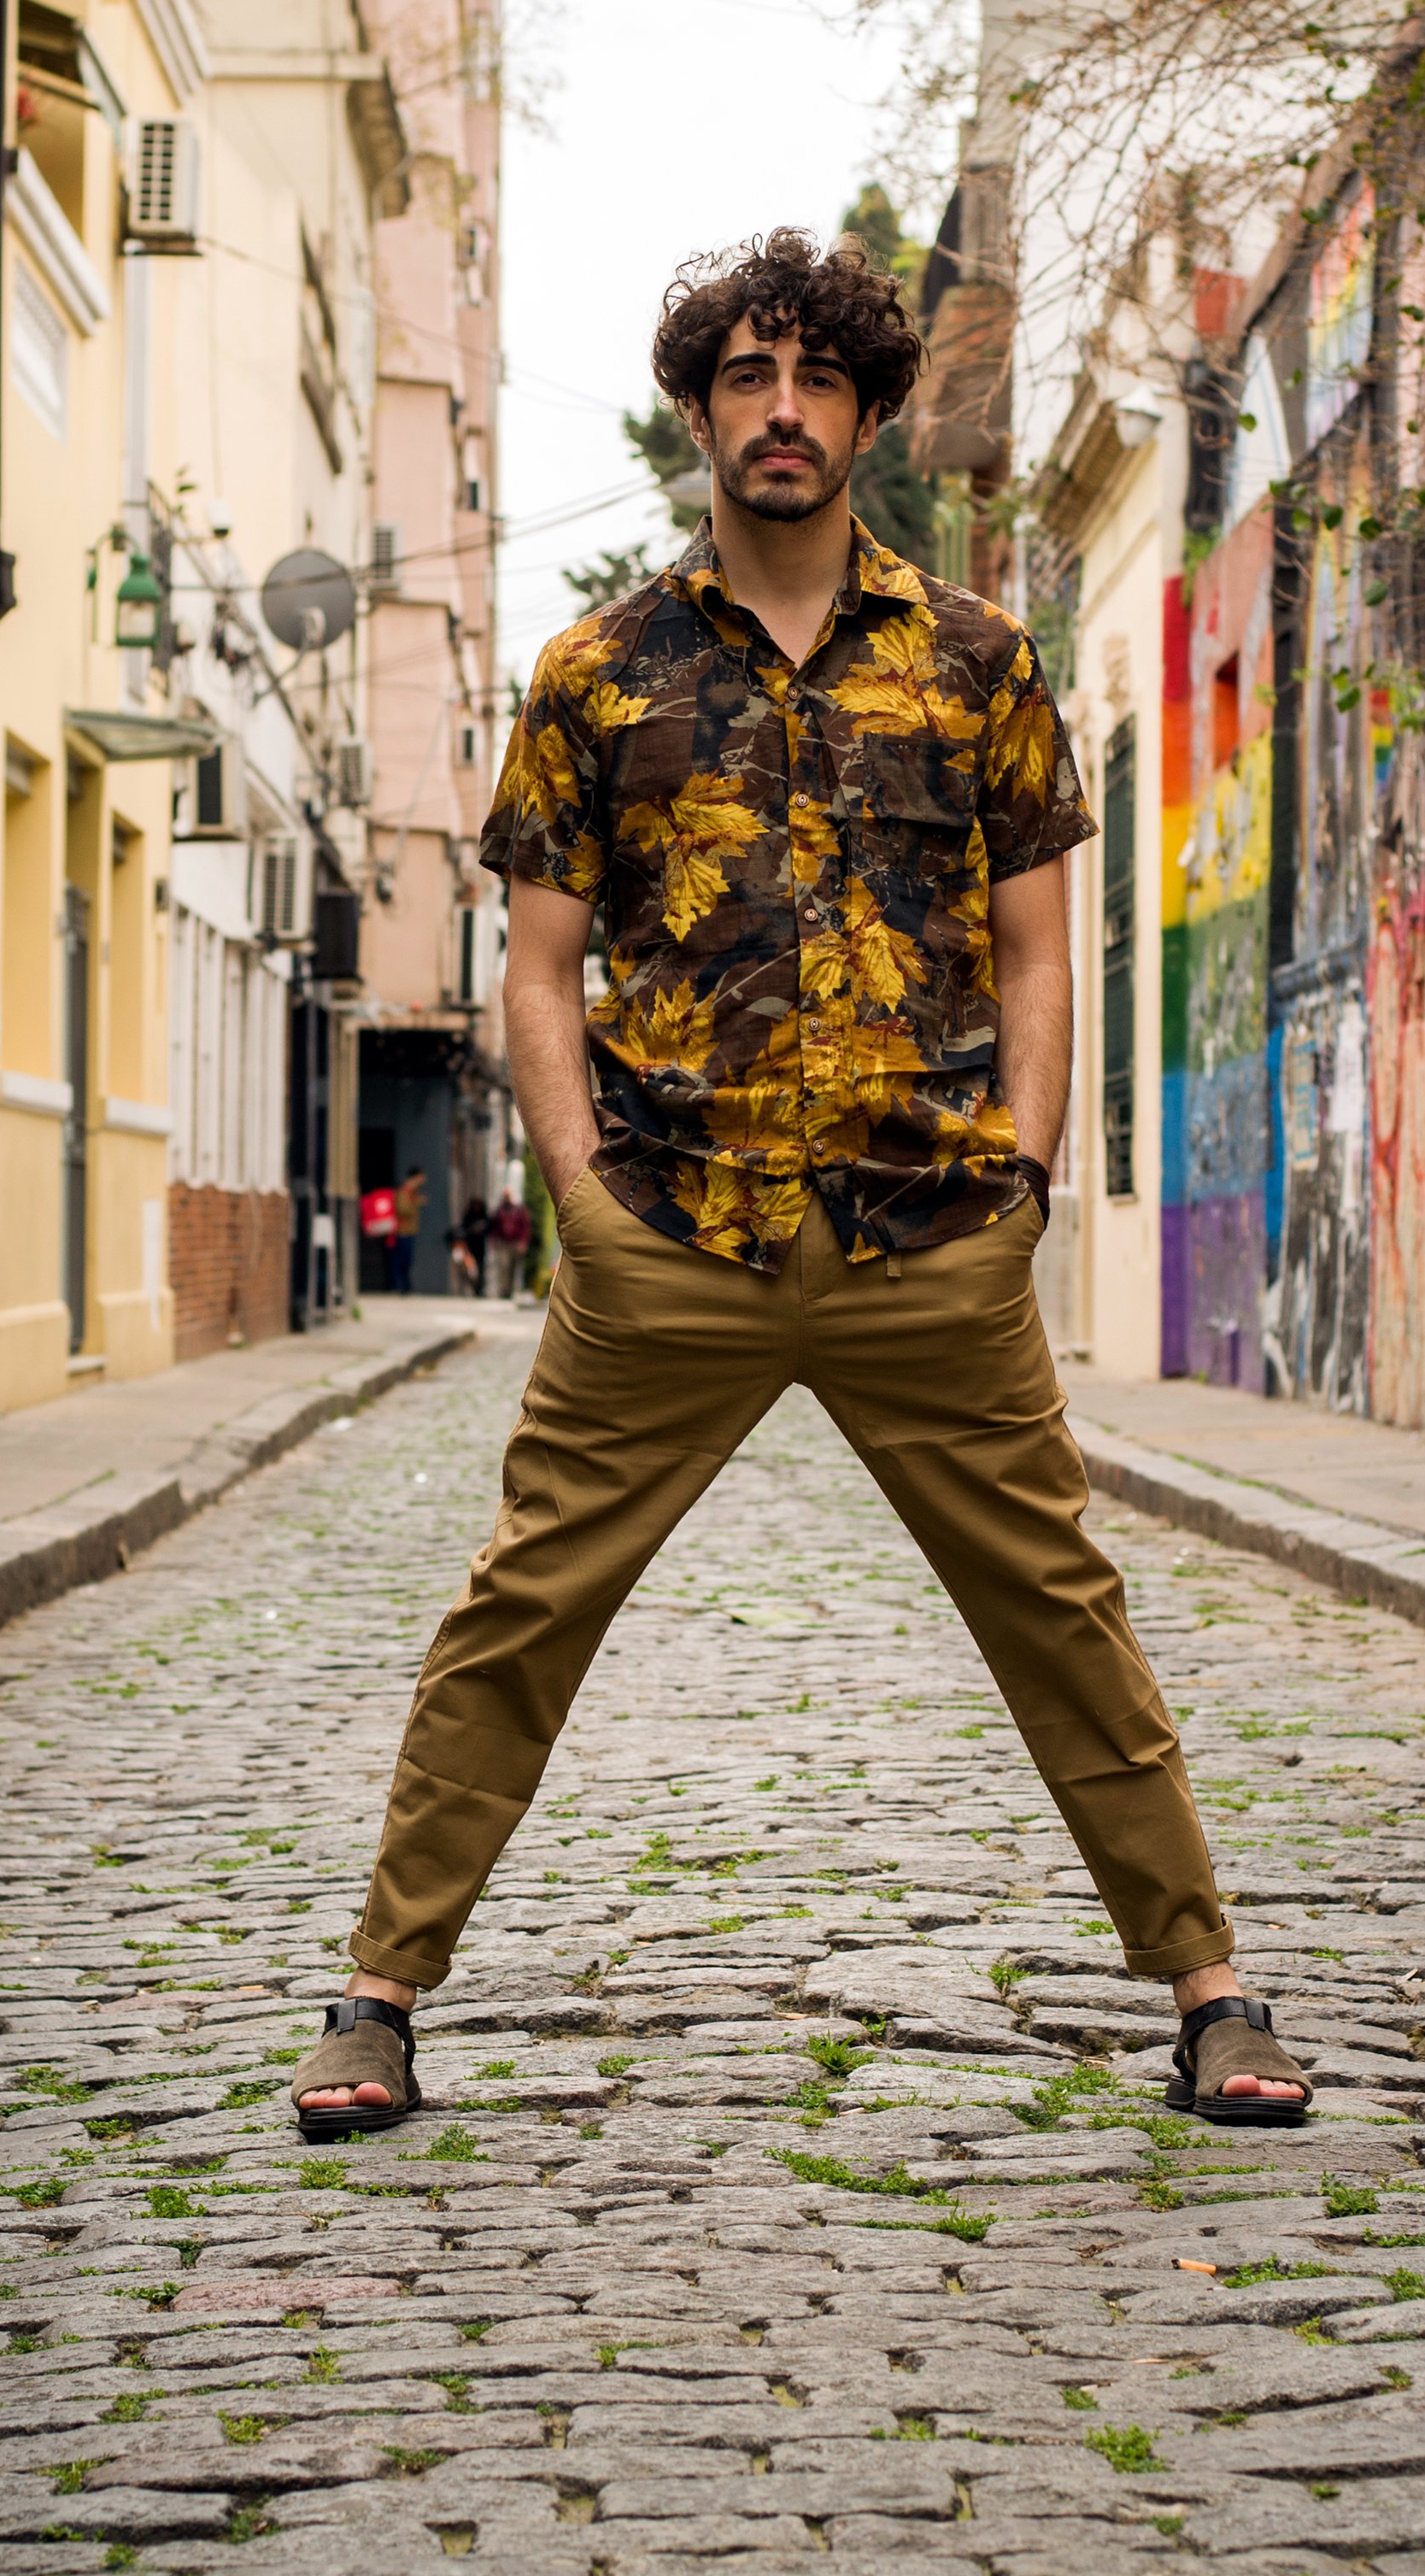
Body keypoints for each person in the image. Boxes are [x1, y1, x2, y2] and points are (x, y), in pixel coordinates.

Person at [290, 230, 1313, 2137]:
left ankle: (1211, 1991)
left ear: (865, 413)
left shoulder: (980, 661)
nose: (782, 411)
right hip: (672, 1235)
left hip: (929, 1235)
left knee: (1059, 1608)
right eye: (747, 378)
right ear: (699, 414)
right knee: (523, 1609)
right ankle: (376, 1995)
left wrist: (1021, 1181)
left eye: (816, 379)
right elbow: (538, 969)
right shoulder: (598, 672)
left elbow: (1038, 954)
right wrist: (585, 1204)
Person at [487, 1187, 531, 1300]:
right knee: (504, 1266)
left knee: (513, 1267)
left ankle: (510, 1290)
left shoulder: (519, 1210)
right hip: (503, 1243)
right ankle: (504, 1291)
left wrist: (523, 1242)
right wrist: (493, 1240)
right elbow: (494, 1227)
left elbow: (525, 1227)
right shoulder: (499, 1210)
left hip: (515, 1242)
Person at [389, 1167, 425, 1296]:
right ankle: (399, 1286)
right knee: (402, 1259)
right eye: (421, 1177)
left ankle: (405, 1286)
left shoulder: (412, 1191)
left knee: (407, 1259)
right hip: (403, 1230)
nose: (423, 1180)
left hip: (409, 1230)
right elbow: (402, 1209)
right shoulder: (405, 1191)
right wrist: (415, 1202)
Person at [459, 1194, 491, 1300]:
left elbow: (489, 1229)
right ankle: (470, 1289)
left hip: (480, 1246)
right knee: (470, 1268)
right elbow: (464, 1229)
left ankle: (479, 1289)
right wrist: (472, 1230)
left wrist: (481, 1230)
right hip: (470, 1246)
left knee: (480, 1268)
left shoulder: (484, 1216)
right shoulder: (468, 1216)